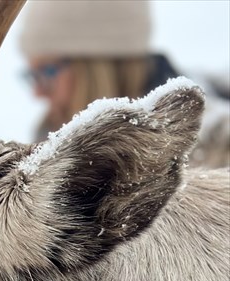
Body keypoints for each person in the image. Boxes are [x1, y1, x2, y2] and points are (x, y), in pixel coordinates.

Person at [19, 0, 229, 166]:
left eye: (47, 71)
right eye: (32, 74)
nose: (37, 92)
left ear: (98, 69)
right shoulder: (45, 150)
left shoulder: (216, 154)